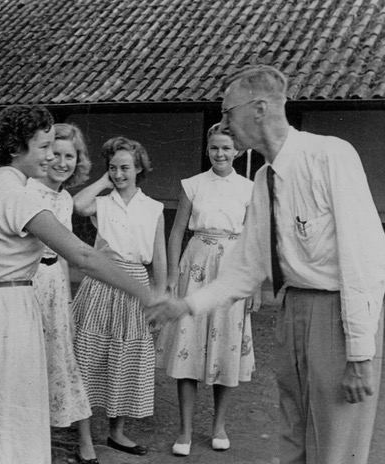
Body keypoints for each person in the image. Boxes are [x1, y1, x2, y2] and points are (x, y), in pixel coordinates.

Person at [146, 64, 385, 464]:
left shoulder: (329, 155)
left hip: (337, 316)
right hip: (292, 311)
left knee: (337, 451)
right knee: (293, 442)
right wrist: (185, 305)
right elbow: (245, 268)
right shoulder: (263, 179)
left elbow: (364, 257)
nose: (223, 123)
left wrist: (361, 353)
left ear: (258, 109)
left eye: (228, 112)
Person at [0, 106, 171, 464]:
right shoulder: (17, 197)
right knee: (10, 415)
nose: (51, 156)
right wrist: (146, 294)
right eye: (44, 147)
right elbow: (82, 255)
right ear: (16, 148)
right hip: (9, 311)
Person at [155, 123, 256, 456]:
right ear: (207, 149)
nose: (220, 154)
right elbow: (176, 233)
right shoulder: (193, 185)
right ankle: (184, 430)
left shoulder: (249, 188)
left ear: (237, 151)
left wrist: (252, 285)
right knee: (189, 342)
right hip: (196, 265)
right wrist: (172, 276)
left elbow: (253, 240)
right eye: (214, 147)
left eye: (226, 148)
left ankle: (219, 426)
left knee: (226, 344)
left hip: (232, 268)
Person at [71, 136, 166, 457]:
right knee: (89, 356)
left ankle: (117, 432)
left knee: (126, 357)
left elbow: (159, 258)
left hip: (135, 284)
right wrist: (103, 181)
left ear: (139, 168)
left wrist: (159, 299)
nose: (119, 174)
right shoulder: (103, 203)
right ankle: (85, 439)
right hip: (100, 281)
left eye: (125, 167)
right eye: (113, 168)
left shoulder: (153, 208)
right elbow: (78, 205)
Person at [26, 123, 99, 463]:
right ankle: (29, 438)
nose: (62, 162)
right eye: (55, 154)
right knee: (30, 358)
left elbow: (67, 254)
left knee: (63, 358)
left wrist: (67, 298)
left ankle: (83, 440)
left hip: (56, 283)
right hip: (29, 281)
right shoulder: (28, 191)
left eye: (70, 156)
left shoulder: (66, 199)